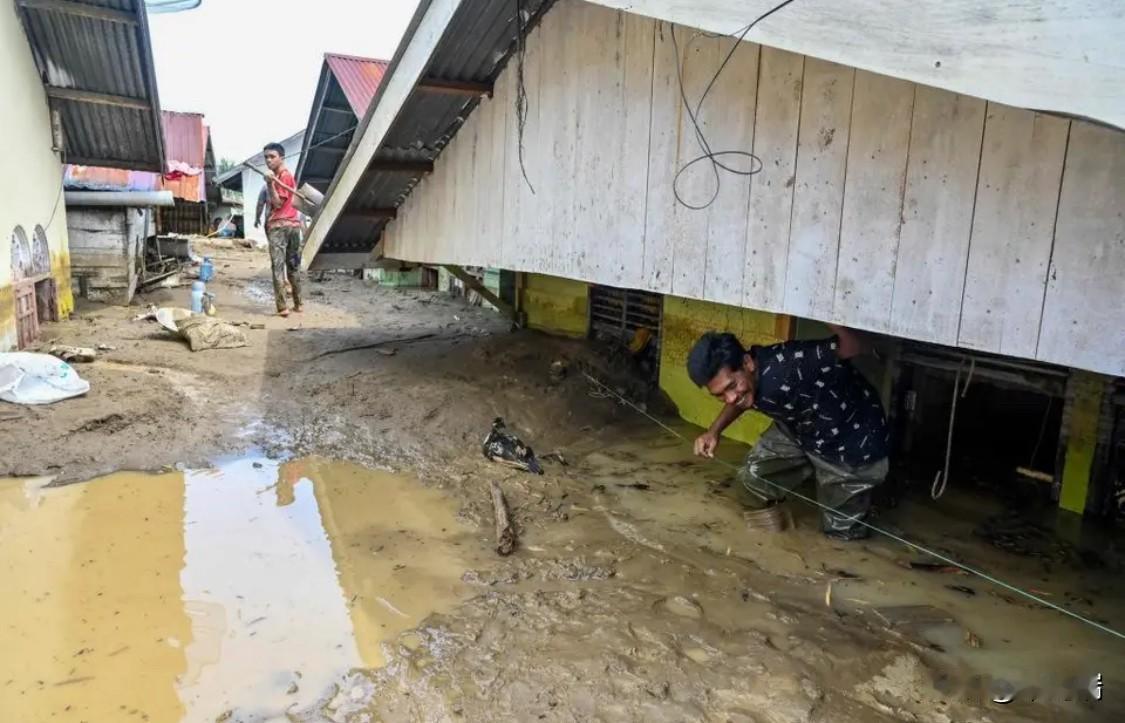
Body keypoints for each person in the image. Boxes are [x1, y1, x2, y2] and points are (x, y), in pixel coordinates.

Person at [686, 325, 889, 540]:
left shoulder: (792, 362)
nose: (730, 398)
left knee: (842, 533)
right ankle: (775, 536)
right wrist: (714, 432)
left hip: (851, 439)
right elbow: (739, 400)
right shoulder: (747, 385)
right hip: (799, 428)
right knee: (751, 479)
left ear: (747, 363)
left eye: (732, 386)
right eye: (720, 395)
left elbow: (853, 345)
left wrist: (827, 309)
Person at [261, 142, 303, 316]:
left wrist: (270, 184)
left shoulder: (284, 176)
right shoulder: (281, 176)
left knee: (278, 268)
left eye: (272, 156)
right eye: (266, 157)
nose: (268, 160)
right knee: (293, 266)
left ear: (282, 158)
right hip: (293, 226)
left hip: (279, 227)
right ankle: (298, 304)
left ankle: (282, 307)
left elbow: (277, 203)